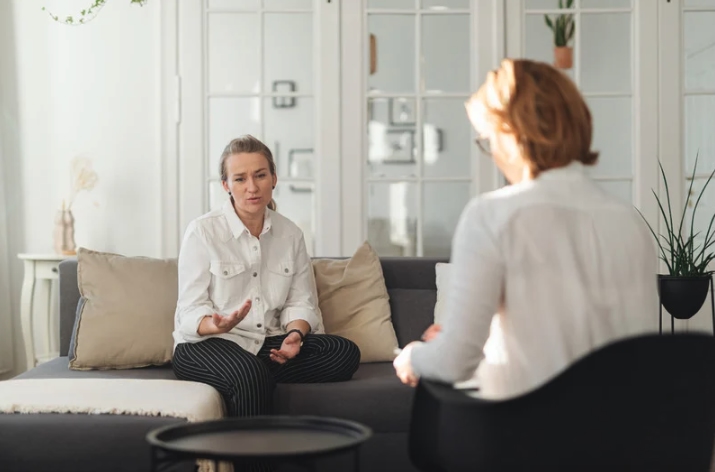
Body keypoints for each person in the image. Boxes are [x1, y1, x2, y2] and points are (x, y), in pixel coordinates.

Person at [394, 59, 658, 399]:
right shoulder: (631, 221)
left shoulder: (491, 215)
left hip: (531, 436)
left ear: (511, 135)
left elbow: (453, 362)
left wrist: (414, 356)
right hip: (629, 441)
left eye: (488, 140)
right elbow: (592, 339)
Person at [172, 135, 361, 418]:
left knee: (343, 352)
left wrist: (295, 335)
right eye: (240, 179)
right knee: (250, 374)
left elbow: (301, 301)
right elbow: (189, 311)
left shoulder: (291, 234)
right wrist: (217, 325)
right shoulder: (202, 232)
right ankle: (257, 453)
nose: (252, 187)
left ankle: (249, 379)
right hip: (207, 345)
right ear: (226, 185)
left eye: (260, 175)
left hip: (267, 344)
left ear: (274, 178)